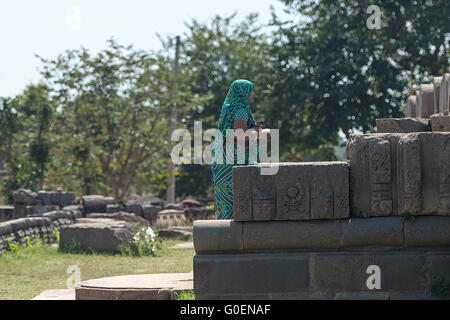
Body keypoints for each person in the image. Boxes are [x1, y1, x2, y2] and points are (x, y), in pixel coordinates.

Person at [211, 79, 265, 219]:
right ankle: (231, 236)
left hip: (222, 155)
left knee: (225, 199)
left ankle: (223, 235)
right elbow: (239, 134)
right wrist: (262, 133)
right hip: (231, 158)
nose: (253, 94)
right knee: (235, 199)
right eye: (251, 91)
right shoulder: (241, 109)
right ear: (243, 92)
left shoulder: (230, 107)